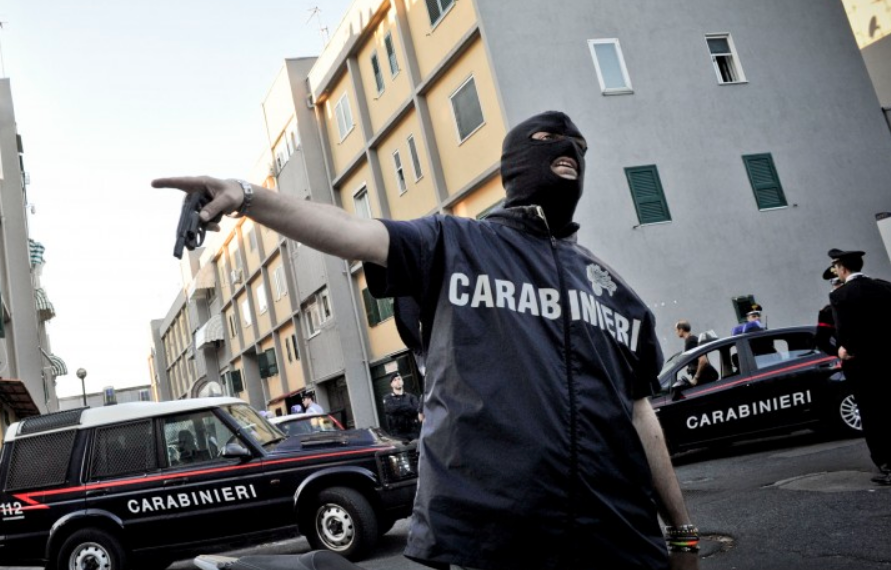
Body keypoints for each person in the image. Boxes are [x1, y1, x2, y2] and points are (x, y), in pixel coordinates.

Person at [154, 110, 698, 569]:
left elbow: (641, 418)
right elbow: (350, 232)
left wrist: (682, 534)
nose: (570, 149)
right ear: (516, 162)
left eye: (579, 146)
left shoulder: (615, 294)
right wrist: (246, 196)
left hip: (621, 544)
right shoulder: (457, 244)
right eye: (549, 140)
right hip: (494, 544)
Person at [826, 248, 891, 486]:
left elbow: (845, 331)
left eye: (836, 268)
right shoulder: (884, 287)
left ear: (842, 269)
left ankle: (887, 465)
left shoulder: (840, 295)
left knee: (872, 415)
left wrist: (845, 349)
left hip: (863, 367)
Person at [381, 373, 423, 441]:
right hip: (397, 434)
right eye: (395, 380)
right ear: (391, 384)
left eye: (399, 379)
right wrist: (408, 407)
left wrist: (398, 408)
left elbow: (416, 410)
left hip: (413, 432)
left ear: (402, 381)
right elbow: (391, 409)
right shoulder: (387, 398)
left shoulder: (411, 397)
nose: (398, 381)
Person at [674, 320, 716, 386]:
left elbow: (703, 360)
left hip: (704, 380)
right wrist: (691, 367)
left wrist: (696, 378)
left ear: (681, 330)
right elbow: (698, 360)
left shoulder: (690, 342)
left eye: (676, 330)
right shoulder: (693, 339)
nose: (676, 332)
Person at [814, 272, 844, 356]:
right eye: (836, 283)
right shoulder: (828, 311)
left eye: (842, 282)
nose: (840, 286)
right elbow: (821, 340)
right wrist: (838, 353)